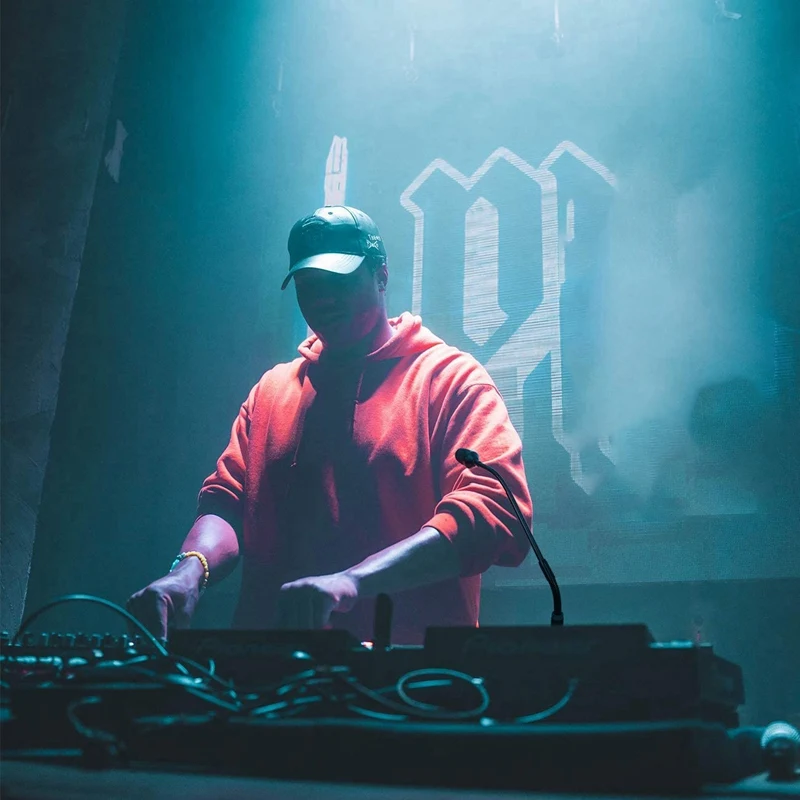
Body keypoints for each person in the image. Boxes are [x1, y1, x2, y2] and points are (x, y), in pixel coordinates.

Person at [127, 206, 532, 644]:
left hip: (412, 672)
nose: (322, 299)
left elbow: (497, 511)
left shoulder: (450, 381)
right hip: (266, 670)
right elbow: (226, 505)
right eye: (308, 285)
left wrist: (354, 582)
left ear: (381, 275)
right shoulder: (271, 391)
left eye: (339, 280)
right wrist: (188, 572)